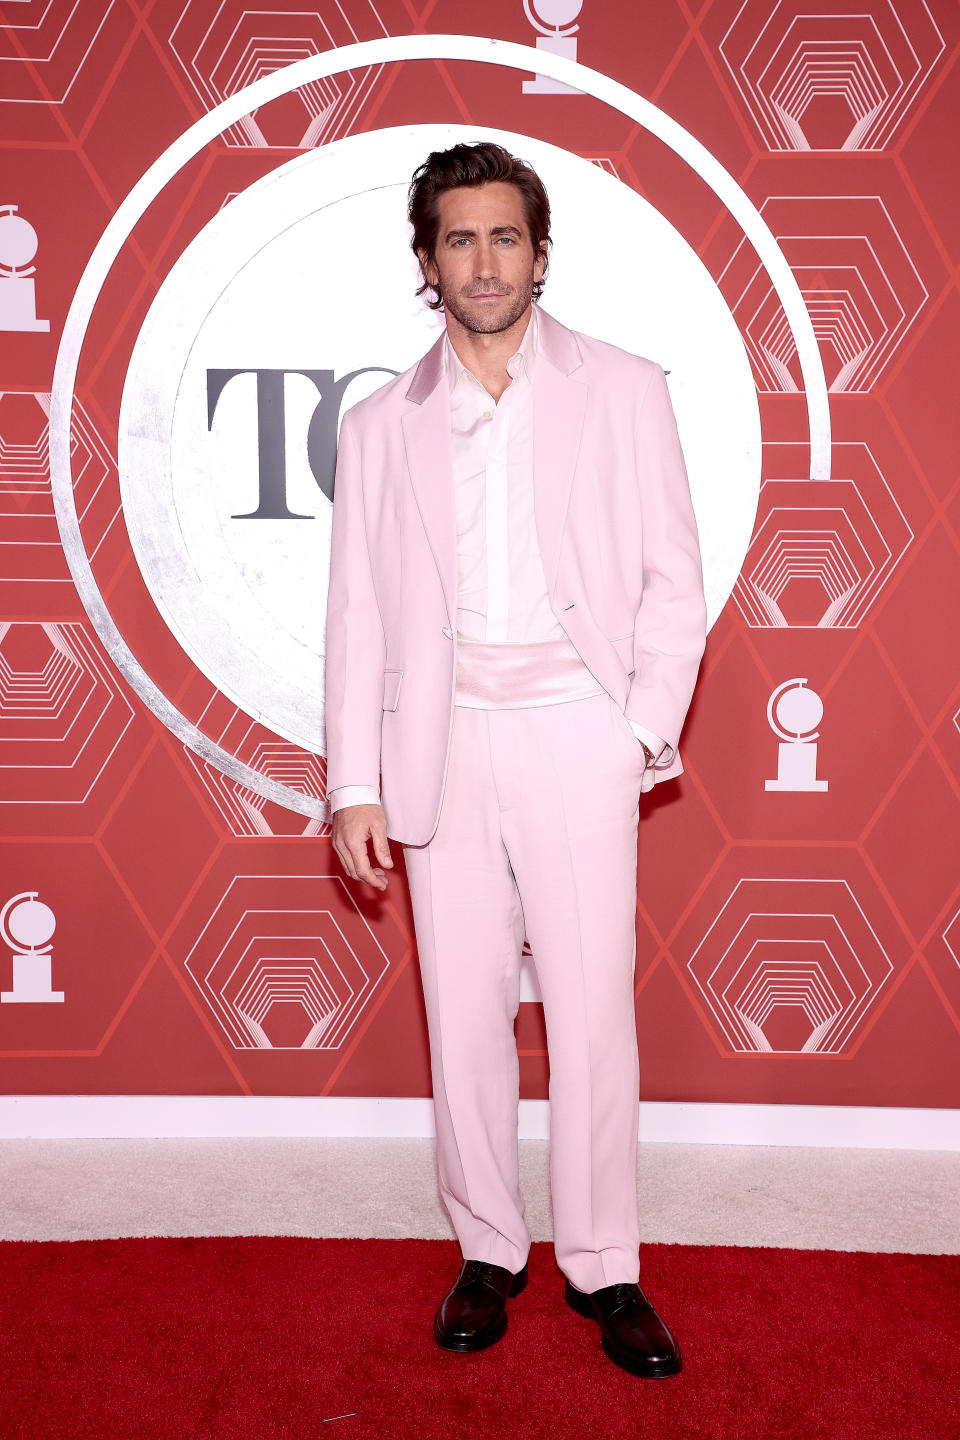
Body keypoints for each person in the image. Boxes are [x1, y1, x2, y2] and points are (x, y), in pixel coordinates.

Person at [324, 141, 706, 1379]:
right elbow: (358, 615)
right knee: (466, 1017)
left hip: (576, 735)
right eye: (457, 238)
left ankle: (605, 1266)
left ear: (540, 254)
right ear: (426, 263)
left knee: (593, 1011)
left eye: (503, 237)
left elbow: (670, 585)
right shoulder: (384, 424)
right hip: (444, 747)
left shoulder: (626, 389)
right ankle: (489, 1248)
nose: (482, 260)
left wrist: (637, 729)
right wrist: (353, 779)